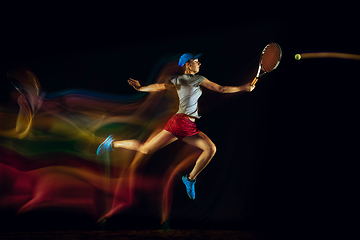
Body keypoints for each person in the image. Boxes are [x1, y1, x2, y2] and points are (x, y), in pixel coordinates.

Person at [97, 53, 255, 200]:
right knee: (149, 149)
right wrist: (244, 88)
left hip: (188, 126)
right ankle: (112, 143)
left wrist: (141, 88)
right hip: (180, 123)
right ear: (188, 64)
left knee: (207, 149)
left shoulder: (183, 80)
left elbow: (159, 86)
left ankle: (189, 178)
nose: (199, 63)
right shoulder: (195, 79)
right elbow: (221, 89)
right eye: (195, 61)